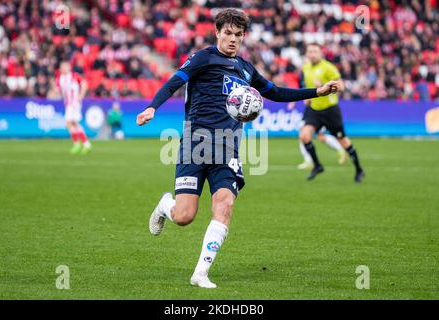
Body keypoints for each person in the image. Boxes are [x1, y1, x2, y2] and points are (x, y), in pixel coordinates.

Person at [136, 9, 340, 288]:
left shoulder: (245, 68)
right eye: (228, 33)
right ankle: (165, 204)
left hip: (227, 146)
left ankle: (200, 274)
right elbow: (175, 81)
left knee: (225, 205)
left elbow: (276, 92)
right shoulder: (203, 58)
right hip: (195, 143)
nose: (233, 39)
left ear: (244, 37)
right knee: (184, 216)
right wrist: (152, 107)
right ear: (217, 32)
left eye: (238, 35)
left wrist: (316, 92)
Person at [298, 43, 365, 182]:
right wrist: (307, 96)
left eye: (315, 51)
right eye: (310, 51)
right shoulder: (306, 66)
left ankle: (359, 169)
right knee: (304, 136)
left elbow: (341, 85)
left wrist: (325, 87)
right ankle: (317, 166)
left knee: (343, 141)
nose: (312, 54)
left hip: (330, 110)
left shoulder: (328, 67)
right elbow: (305, 83)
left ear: (320, 53)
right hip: (314, 109)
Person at [288, 100, 346, 170]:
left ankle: (309, 161)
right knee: (316, 136)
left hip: (317, 111)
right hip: (312, 110)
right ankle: (340, 150)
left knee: (310, 135)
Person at [56, 61, 92, 154]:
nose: (63, 68)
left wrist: (81, 95)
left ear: (69, 67)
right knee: (73, 123)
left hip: (74, 103)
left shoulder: (74, 76)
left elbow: (84, 84)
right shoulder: (60, 79)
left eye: (65, 66)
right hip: (68, 104)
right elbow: (59, 90)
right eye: (62, 66)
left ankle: (79, 144)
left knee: (70, 123)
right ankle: (85, 144)